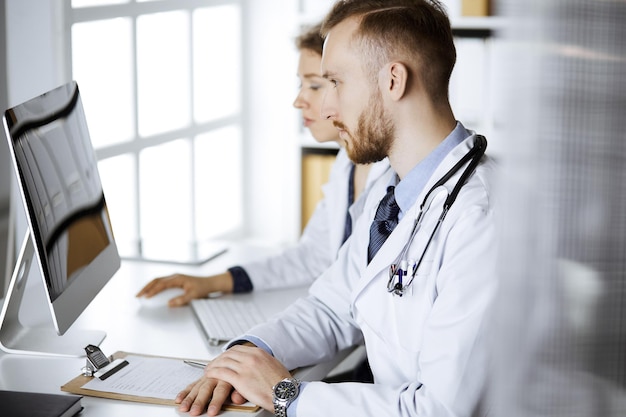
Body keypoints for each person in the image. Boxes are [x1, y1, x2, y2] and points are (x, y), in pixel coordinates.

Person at [176, 1, 498, 416]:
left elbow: (436, 410)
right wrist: (247, 353)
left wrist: (285, 395)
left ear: (393, 80)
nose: (327, 107)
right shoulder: (394, 191)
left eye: (335, 81)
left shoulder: (480, 218)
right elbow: (332, 306)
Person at [136, 23, 390, 306]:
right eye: (301, 85)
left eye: (315, 85)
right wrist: (213, 282)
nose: (299, 101)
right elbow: (313, 256)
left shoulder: (395, 176)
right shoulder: (347, 161)